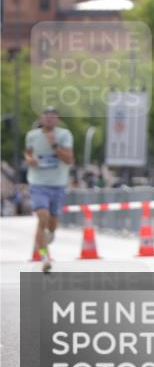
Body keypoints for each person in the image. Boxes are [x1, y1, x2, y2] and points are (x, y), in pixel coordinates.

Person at [23, 106, 74, 272]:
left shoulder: (64, 135)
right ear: (41, 118)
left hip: (58, 184)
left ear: (57, 119)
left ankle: (50, 235)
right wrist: (30, 160)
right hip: (38, 183)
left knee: (51, 225)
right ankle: (45, 256)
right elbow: (28, 153)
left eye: (53, 116)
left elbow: (68, 160)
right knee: (42, 217)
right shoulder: (32, 136)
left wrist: (54, 145)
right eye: (46, 115)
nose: (49, 119)